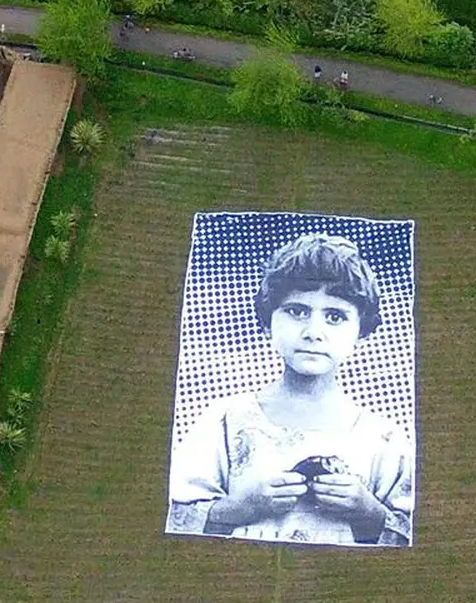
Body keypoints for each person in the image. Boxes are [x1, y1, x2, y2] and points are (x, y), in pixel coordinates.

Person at [167, 233, 414, 547]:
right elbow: (173, 518)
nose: (313, 332)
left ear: (361, 331)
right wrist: (239, 509)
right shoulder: (225, 421)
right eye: (297, 311)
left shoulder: (384, 439)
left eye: (335, 317)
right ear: (268, 320)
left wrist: (368, 511)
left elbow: (414, 540)